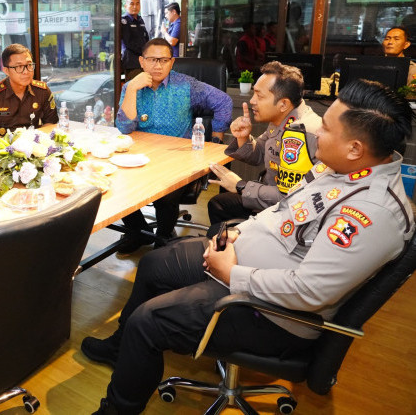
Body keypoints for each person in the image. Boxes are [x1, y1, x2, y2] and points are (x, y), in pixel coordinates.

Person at [84, 78, 415, 415]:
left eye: (326, 128)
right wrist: (238, 234)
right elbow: (284, 208)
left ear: (355, 147)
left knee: (148, 321)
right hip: (245, 261)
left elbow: (310, 292)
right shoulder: (341, 167)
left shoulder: (371, 212)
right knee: (155, 264)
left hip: (275, 313)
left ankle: (117, 409)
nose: (317, 134)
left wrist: (232, 272)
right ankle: (120, 348)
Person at [115, 38, 232, 252]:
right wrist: (131, 89)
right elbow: (124, 128)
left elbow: (224, 101)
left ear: (172, 62)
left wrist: (216, 141)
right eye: (152, 60)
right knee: (113, 181)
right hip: (142, 157)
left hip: (177, 160)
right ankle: (138, 231)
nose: (157, 65)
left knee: (166, 195)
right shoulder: (132, 86)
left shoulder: (186, 85)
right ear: (142, 61)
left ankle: (163, 236)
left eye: (164, 60)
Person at [207, 61, 321, 226]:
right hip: (274, 198)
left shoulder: (298, 134)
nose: (252, 101)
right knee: (219, 204)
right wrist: (244, 138)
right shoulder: (282, 118)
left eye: (259, 96)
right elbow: (259, 154)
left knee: (220, 207)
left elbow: (289, 197)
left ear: (283, 104)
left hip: (291, 215)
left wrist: (241, 186)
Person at [0, 44, 59, 140]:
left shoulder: (42, 91)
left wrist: (32, 138)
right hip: (1, 150)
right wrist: (5, 143)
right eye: (19, 67)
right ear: (6, 70)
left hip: (32, 146)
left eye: (29, 65)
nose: (26, 71)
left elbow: (52, 124)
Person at [121, 0, 149, 82]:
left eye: (137, 4)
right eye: (132, 4)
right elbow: (129, 43)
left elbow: (146, 38)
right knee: (134, 89)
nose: (135, 6)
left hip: (143, 62)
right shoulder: (124, 21)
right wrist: (145, 52)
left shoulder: (140, 20)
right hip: (132, 63)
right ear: (126, 6)